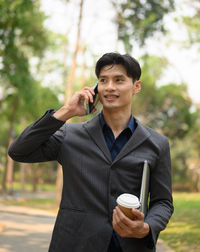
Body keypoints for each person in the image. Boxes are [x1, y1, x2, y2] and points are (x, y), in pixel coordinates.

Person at [8, 52, 174, 252]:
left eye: (119, 80)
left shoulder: (157, 143)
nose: (110, 87)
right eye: (103, 80)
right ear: (96, 87)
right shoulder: (69, 135)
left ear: (136, 86)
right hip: (74, 245)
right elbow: (19, 151)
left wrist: (146, 228)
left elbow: (163, 202)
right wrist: (66, 112)